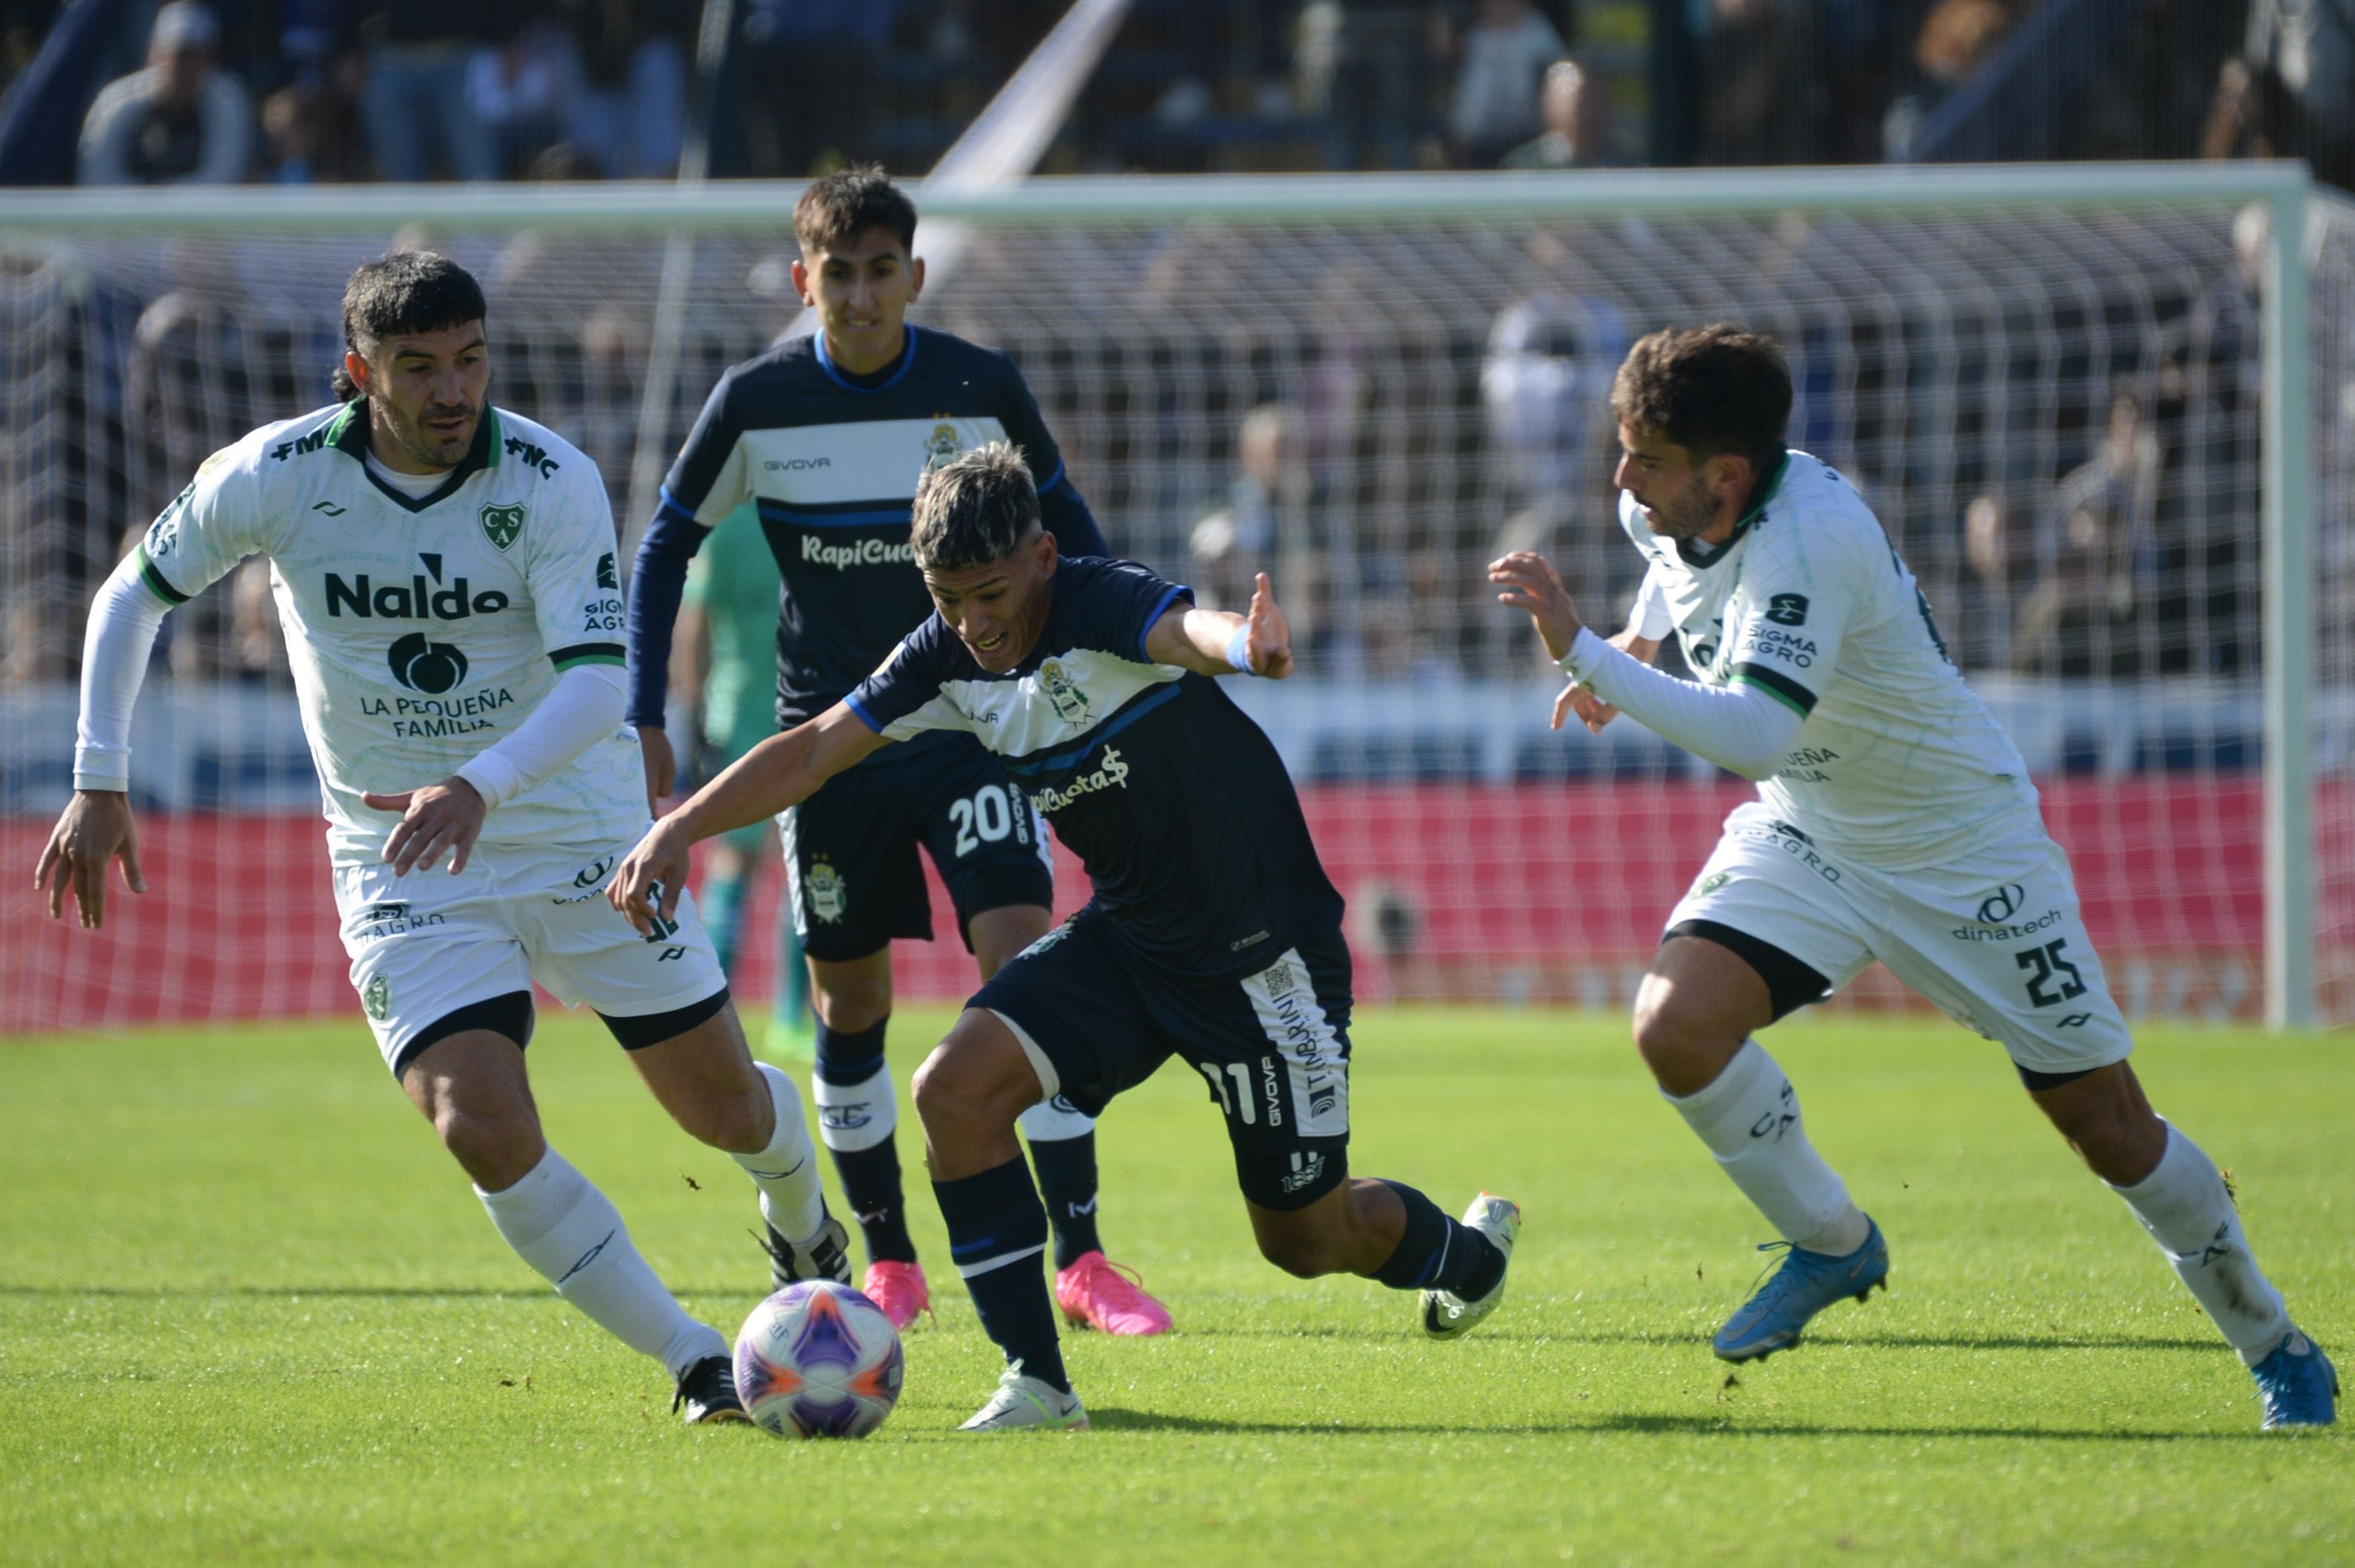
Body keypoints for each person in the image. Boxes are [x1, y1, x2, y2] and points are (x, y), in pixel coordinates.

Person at [35, 251, 849, 1429]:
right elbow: (132, 594)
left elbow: (594, 685)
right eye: (419, 369)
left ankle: (803, 1215)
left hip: (577, 825)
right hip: (399, 858)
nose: (452, 390)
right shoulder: (278, 473)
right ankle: (697, 1363)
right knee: (478, 1122)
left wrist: (479, 780)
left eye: (469, 360)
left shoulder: (548, 479)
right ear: (361, 372)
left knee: (722, 1110)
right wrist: (99, 777)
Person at [1489, 323, 2336, 1431]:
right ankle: (1832, 1242)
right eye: (1623, 446)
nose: (1621, 477)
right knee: (1675, 1028)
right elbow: (1668, 575)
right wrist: (1640, 652)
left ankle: (2276, 1343)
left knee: (2109, 1127)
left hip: (1958, 847)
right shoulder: (1664, 503)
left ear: (1727, 474)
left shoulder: (1814, 538)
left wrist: (1585, 653)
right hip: (1815, 831)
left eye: (1645, 457)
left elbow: (1753, 735)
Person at [611, 443, 1522, 1432]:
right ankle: (1038, 1382)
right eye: (948, 596)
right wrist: (678, 830)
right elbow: (816, 748)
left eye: (990, 592)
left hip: (1265, 962)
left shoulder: (1097, 603)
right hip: (1130, 944)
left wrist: (1245, 646)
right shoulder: (944, 656)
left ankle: (1467, 1257)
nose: (974, 621)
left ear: (1043, 556)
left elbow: (1187, 629)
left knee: (1305, 1239)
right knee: (953, 1093)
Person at [625, 168, 1171, 1338]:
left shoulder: (979, 386)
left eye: (883, 273)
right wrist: (646, 713)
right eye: (840, 275)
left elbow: (1069, 534)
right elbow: (667, 543)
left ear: (916, 277)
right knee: (850, 998)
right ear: (803, 281)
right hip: (836, 747)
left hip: (974, 729)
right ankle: (890, 1260)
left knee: (1028, 965)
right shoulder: (757, 402)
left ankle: (1080, 1255)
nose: (863, 296)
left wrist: (1118, 656)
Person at [675, 502, 812, 1051]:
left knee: (738, 862)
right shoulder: (810, 518)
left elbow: (694, 628)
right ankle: (789, 1020)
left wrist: (690, 711)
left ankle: (715, 1016)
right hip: (806, 714)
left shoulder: (723, 531)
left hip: (737, 716)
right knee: (800, 865)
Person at [77, 2, 251, 187]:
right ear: (153, 55)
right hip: (124, 214)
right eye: (178, 56)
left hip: (198, 215)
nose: (184, 67)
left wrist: (161, 199)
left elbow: (222, 180)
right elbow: (97, 179)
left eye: (195, 56)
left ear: (210, 60)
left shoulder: (228, 102)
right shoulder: (115, 102)